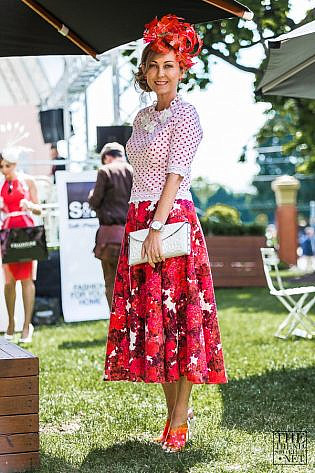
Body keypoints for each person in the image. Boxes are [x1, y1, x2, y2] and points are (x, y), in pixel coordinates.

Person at [102, 14, 228, 453]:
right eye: (154, 64)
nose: (160, 72)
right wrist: (143, 225)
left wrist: (156, 226)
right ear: (145, 70)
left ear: (182, 69)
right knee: (153, 319)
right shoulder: (140, 118)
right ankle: (173, 413)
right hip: (140, 219)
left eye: (169, 65)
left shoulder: (187, 114)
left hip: (170, 220)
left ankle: (179, 420)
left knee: (179, 319)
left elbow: (176, 173)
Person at [0, 147, 42, 343]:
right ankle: (10, 322)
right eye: (1, 166)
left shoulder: (28, 181)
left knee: (27, 279)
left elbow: (39, 209)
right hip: (7, 232)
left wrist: (29, 205)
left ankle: (27, 326)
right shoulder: (1, 183)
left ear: (15, 164)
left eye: (7, 165)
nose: (4, 170)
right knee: (9, 281)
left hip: (26, 231)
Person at [88, 142, 133, 308]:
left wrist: (91, 195)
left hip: (111, 237)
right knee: (133, 282)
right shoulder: (134, 170)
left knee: (112, 282)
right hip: (134, 235)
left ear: (106, 157)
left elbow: (95, 201)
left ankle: (117, 326)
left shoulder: (105, 171)